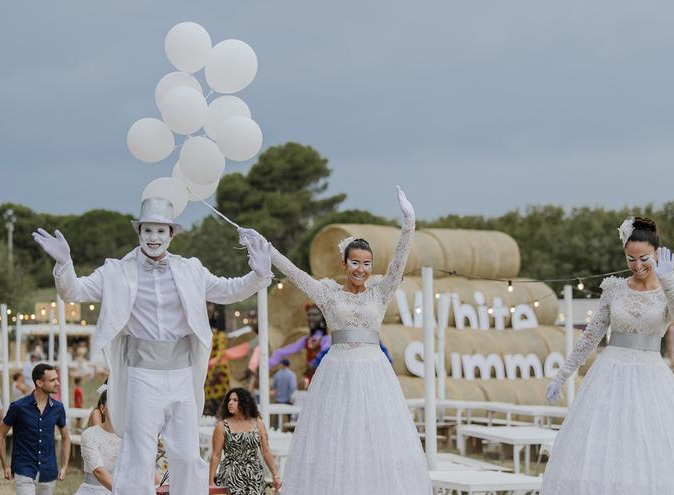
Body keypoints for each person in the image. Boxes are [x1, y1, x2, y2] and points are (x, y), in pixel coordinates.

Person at [32, 197, 273, 495]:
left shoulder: (191, 270)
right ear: (139, 233)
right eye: (148, 230)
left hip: (183, 372)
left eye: (161, 231)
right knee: (139, 453)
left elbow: (229, 290)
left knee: (185, 454)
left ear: (171, 234)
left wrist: (258, 274)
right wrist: (64, 264)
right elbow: (73, 292)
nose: (154, 238)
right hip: (142, 373)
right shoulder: (116, 271)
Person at [239, 186, 431, 494]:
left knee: (375, 438)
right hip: (337, 370)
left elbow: (398, 263)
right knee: (335, 439)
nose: (361, 269)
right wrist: (268, 249)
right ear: (344, 264)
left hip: (373, 372)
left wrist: (409, 224)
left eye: (366, 263)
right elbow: (298, 274)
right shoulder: (328, 294)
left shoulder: (380, 291)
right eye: (355, 263)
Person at [542, 217, 674, 494]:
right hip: (610, 372)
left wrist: (668, 282)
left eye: (644, 258)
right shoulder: (614, 289)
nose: (637, 266)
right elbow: (591, 335)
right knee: (607, 442)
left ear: (656, 254)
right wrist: (562, 375)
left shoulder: (669, 291)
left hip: (651, 375)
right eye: (630, 259)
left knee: (648, 442)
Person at [0, 363, 71, 495]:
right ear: (39, 383)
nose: (57, 383)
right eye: (52, 380)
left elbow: (66, 438)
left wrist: (64, 466)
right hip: (24, 469)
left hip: (48, 471)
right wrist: (5, 465)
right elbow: (0, 435)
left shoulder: (58, 408)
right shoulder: (18, 407)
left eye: (56, 379)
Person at [209, 388, 280, 495]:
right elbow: (216, 455)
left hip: (254, 476)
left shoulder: (258, 422)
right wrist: (211, 482)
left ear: (244, 402)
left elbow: (266, 451)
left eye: (235, 400)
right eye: (229, 400)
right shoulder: (222, 425)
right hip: (231, 477)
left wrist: (275, 475)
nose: (230, 403)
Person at [75, 386, 121, 494]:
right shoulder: (90, 435)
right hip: (94, 491)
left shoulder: (128, 437)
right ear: (103, 408)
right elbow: (98, 471)